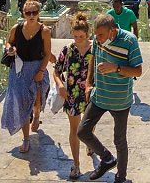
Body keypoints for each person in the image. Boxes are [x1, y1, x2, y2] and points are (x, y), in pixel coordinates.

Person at [78, 13, 143, 183]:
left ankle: (121, 177)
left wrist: (116, 68)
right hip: (100, 95)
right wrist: (88, 81)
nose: (97, 39)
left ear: (112, 31)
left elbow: (138, 71)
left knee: (119, 140)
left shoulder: (129, 41)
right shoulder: (98, 41)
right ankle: (106, 158)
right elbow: (93, 57)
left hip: (121, 99)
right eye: (95, 34)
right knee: (83, 131)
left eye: (100, 35)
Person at [1, 0, 51, 153]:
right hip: (19, 69)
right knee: (22, 104)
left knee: (36, 100)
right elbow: (9, 42)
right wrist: (10, 49)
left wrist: (41, 71)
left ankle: (36, 115)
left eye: (34, 12)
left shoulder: (44, 31)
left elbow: (47, 53)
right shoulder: (16, 28)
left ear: (38, 13)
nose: (31, 16)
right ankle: (26, 138)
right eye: (28, 13)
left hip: (36, 67)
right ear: (23, 13)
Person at [53, 12, 93, 180]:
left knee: (88, 126)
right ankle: (76, 165)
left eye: (81, 37)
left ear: (87, 35)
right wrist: (60, 85)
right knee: (75, 130)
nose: (78, 39)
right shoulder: (68, 50)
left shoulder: (96, 49)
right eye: (75, 36)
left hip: (90, 93)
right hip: (72, 95)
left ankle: (89, 143)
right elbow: (56, 71)